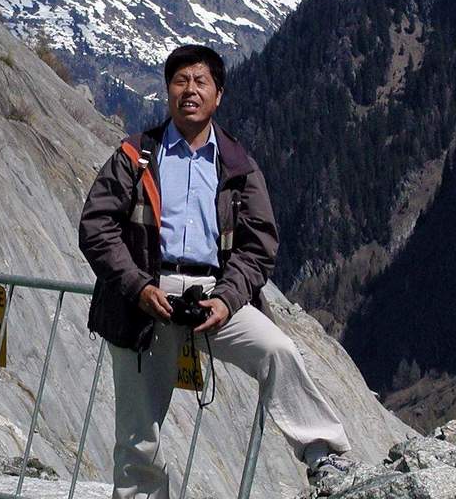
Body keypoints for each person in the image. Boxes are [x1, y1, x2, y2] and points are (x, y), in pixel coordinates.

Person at [79, 44, 353, 499]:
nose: (190, 90)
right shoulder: (135, 156)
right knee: (138, 437)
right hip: (145, 298)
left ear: (218, 94)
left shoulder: (238, 165)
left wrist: (227, 298)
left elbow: (259, 244)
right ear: (167, 91)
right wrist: (138, 286)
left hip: (214, 294)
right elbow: (96, 227)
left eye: (200, 81)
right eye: (180, 81)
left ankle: (324, 455)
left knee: (277, 350)